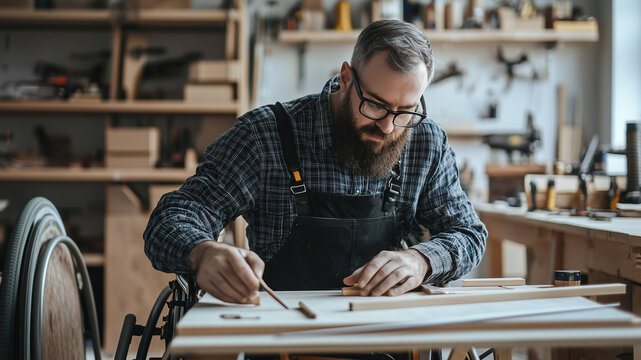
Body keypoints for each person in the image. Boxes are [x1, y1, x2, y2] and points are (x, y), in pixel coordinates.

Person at [144, 19, 487, 305]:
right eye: (376, 105)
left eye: (405, 111)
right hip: (283, 339)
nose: (387, 126)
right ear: (346, 78)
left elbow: (469, 234)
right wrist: (202, 252)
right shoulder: (265, 135)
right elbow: (172, 217)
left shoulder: (425, 141)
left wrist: (422, 260)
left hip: (384, 333)